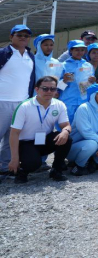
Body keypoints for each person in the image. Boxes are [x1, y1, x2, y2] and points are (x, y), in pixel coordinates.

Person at [7, 76, 72, 183]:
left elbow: (66, 125)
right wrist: (14, 159)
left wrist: (65, 131)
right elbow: (14, 133)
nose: (49, 91)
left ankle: (56, 170)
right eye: (45, 88)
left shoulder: (59, 105)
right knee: (33, 164)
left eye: (53, 89)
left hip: (44, 140)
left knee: (67, 138)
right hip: (26, 143)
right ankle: (23, 171)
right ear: (36, 89)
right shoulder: (24, 106)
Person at [0, 24, 37, 176]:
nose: (23, 38)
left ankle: (4, 167)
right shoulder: (3, 53)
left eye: (26, 36)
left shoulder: (30, 56)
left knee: (12, 138)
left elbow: (31, 80)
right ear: (11, 37)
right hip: (2, 102)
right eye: (19, 35)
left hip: (22, 103)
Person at [59, 40, 93, 122]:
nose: (80, 52)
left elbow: (90, 84)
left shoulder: (88, 65)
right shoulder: (64, 65)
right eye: (76, 50)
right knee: (65, 124)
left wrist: (92, 81)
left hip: (83, 101)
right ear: (71, 50)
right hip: (68, 101)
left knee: (82, 124)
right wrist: (64, 80)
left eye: (82, 50)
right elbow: (58, 87)